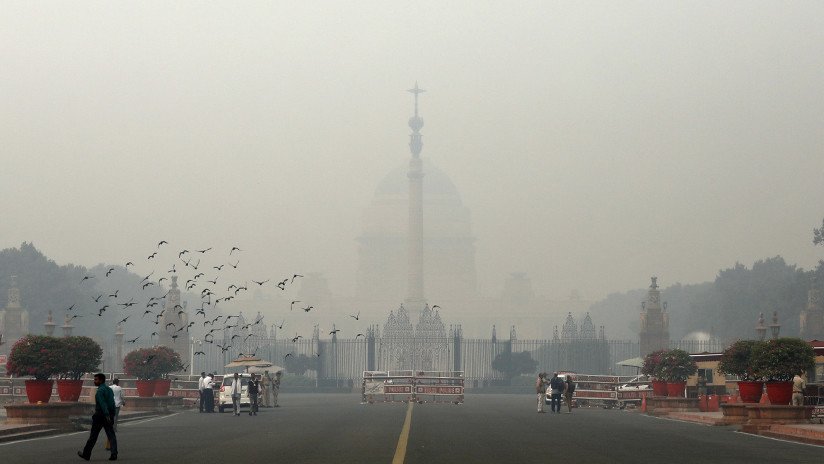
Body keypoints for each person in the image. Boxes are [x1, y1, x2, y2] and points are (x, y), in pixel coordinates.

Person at [78, 373, 117, 461]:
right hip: (109, 414)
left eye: (96, 380)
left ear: (101, 380)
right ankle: (114, 453)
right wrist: (111, 415)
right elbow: (112, 403)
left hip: (100, 415)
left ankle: (86, 454)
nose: (94, 381)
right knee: (111, 435)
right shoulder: (109, 390)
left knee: (93, 436)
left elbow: (103, 404)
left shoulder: (100, 391)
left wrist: (106, 414)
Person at [105, 378, 125, 451]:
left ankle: (109, 426)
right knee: (115, 416)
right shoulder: (119, 388)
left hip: (110, 404)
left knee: (110, 416)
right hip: (117, 404)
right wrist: (123, 402)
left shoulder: (109, 388)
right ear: (118, 382)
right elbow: (122, 396)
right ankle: (114, 428)